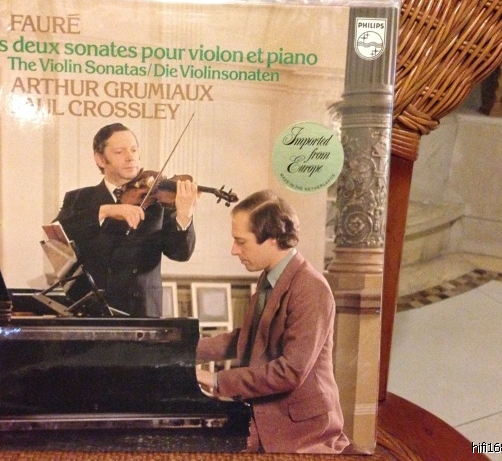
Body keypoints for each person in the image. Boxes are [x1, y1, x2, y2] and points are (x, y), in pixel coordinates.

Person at [195, 190, 349, 454]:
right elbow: (249, 337)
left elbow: (290, 371)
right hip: (267, 412)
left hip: (301, 430)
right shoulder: (271, 277)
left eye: (241, 242)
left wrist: (216, 379)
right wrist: (183, 349)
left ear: (273, 240)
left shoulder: (310, 288)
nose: (234, 250)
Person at [55, 123, 199, 317]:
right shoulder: (78, 198)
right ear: (100, 159)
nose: (130, 157)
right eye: (119, 152)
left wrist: (184, 214)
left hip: (141, 312)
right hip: (91, 312)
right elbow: (57, 234)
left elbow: (181, 254)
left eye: (134, 150)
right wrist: (105, 210)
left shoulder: (158, 200)